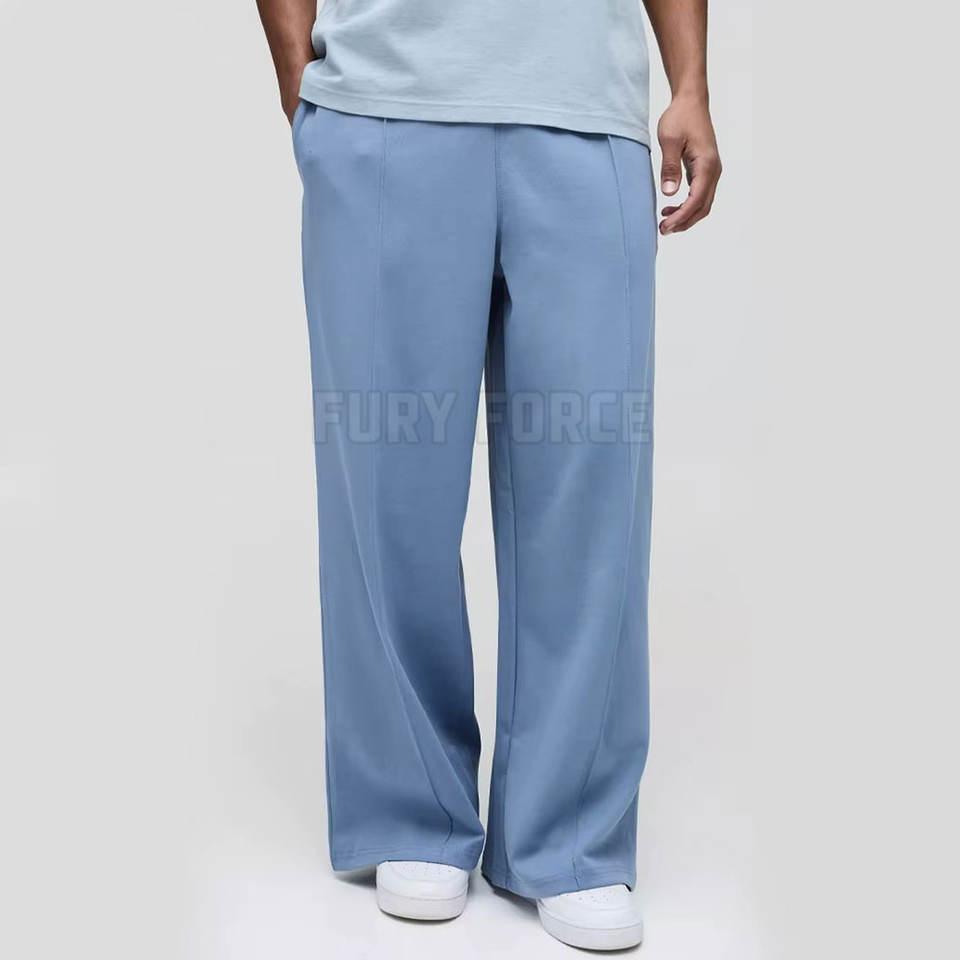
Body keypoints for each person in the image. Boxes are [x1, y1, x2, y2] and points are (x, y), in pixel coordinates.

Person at [256, 0, 720, 949]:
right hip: (385, 105)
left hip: (584, 111)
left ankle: (572, 836)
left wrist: (691, 84)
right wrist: (301, 77)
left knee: (592, 485)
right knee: (386, 481)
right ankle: (409, 810)